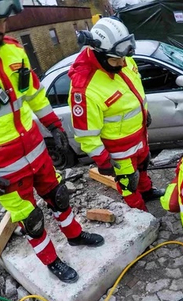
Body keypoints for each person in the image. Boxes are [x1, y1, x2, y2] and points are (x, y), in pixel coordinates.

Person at [0, 0, 103, 283]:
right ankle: (51, 261)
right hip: (3, 170)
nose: (1, 29)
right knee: (31, 219)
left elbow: (34, 94)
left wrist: (54, 126)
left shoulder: (13, 48)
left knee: (59, 197)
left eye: (3, 23)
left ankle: (74, 235)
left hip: (36, 151)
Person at [68, 17, 164, 212]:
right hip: (119, 151)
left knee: (144, 168)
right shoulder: (85, 88)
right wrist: (104, 161)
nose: (123, 63)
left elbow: (133, 92)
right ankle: (141, 213)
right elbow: (86, 136)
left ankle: (147, 192)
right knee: (128, 184)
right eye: (116, 60)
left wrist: (145, 114)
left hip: (139, 136)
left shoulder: (120, 58)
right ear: (100, 54)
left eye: (123, 58)